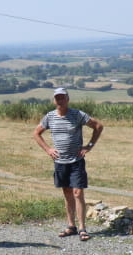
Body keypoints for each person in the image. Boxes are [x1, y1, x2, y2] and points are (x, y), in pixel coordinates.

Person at [33, 87, 103, 241]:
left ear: (67, 99)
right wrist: (48, 149)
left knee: (78, 192)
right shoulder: (49, 117)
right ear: (54, 100)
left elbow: (98, 126)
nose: (60, 100)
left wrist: (89, 146)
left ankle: (83, 229)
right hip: (60, 162)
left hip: (76, 161)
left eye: (63, 97)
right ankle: (71, 226)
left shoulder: (77, 115)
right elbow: (36, 133)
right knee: (67, 193)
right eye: (57, 98)